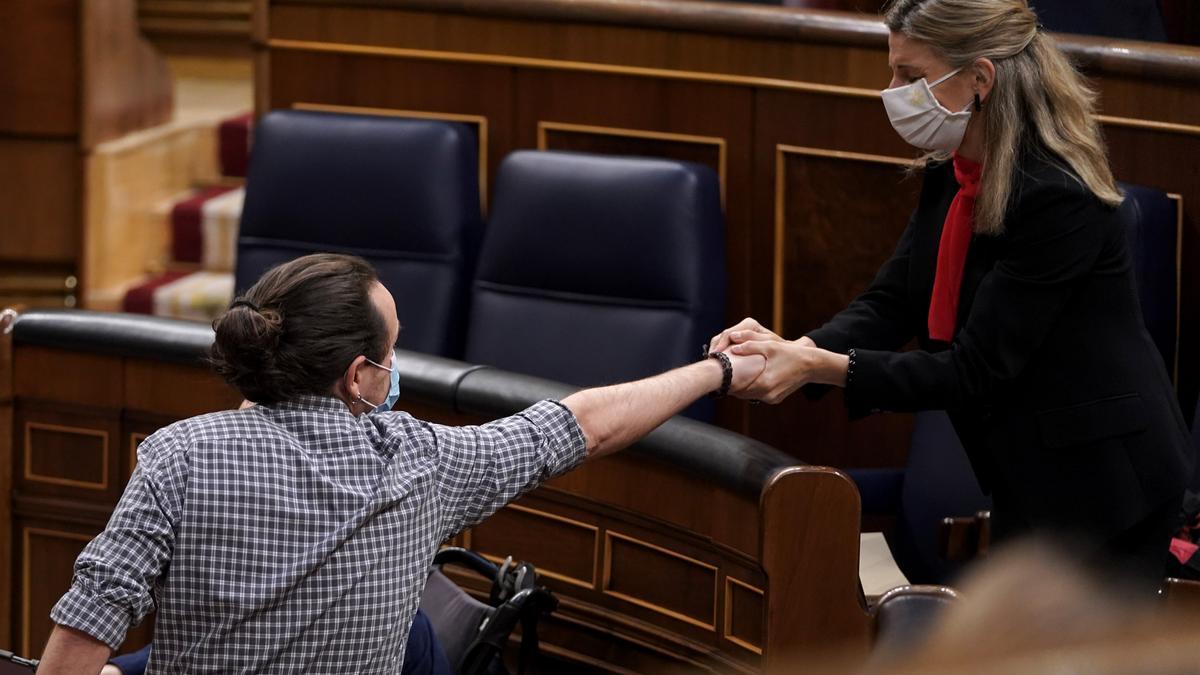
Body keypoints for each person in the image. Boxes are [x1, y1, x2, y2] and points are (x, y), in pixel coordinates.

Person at [37, 253, 764, 673]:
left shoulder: (175, 457)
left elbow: (81, 634)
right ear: (360, 376)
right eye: (392, 352)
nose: (397, 365)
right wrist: (716, 374)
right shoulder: (423, 461)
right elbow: (588, 424)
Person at [710, 0, 1192, 588]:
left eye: (910, 76)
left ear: (980, 78)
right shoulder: (955, 170)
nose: (890, 91)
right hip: (1029, 467)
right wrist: (794, 349)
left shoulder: (1058, 197)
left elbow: (975, 372)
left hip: (1106, 481)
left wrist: (817, 365)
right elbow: (891, 302)